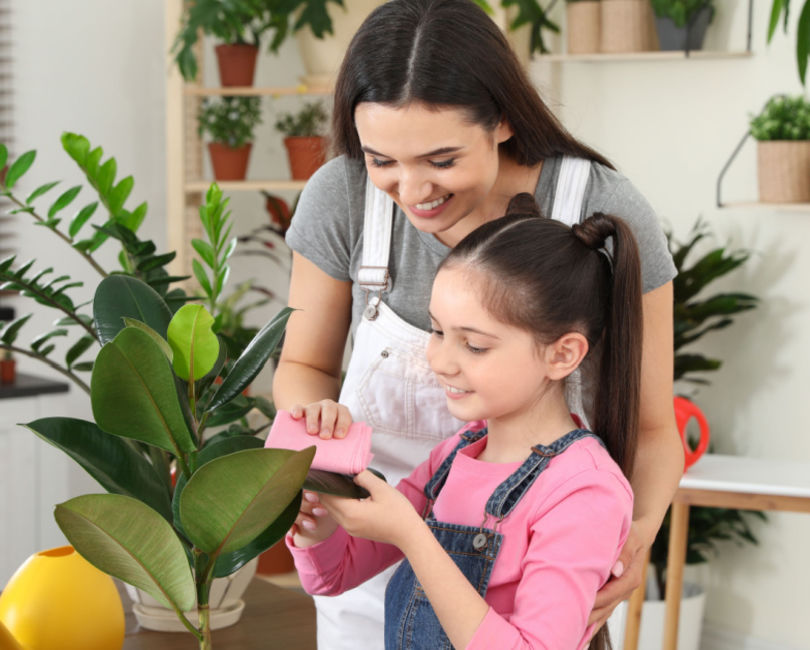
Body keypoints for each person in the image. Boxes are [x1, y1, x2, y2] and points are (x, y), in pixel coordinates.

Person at [273, 0, 684, 646]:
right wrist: (320, 464)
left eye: (440, 160)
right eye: (382, 160)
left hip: (528, 578)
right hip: (373, 558)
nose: (410, 192)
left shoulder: (601, 208)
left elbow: (656, 426)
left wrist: (631, 541)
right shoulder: (447, 463)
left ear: (500, 120)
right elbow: (304, 367)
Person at [288, 201, 643, 649]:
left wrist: (414, 536)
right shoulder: (456, 454)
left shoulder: (583, 491)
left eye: (473, 345)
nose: (438, 360)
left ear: (562, 354)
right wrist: (319, 521)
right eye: (437, 331)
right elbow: (335, 576)